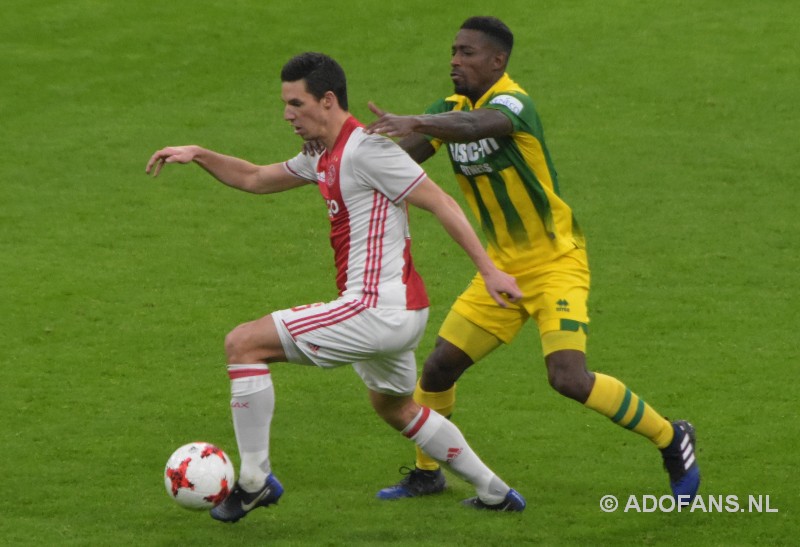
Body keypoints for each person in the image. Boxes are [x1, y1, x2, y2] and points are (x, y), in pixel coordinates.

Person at [145, 52, 528, 522]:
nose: (287, 114)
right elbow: (256, 177)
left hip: (374, 308)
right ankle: (495, 490)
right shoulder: (321, 155)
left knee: (243, 344)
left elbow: (442, 202)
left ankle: (253, 481)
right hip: (400, 311)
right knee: (395, 407)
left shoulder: (368, 150)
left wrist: (489, 271)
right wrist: (199, 154)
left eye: (296, 103)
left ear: (327, 100)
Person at [364, 16, 701, 503]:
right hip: (500, 271)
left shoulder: (512, 103)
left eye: (468, 53)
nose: (456, 61)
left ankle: (672, 437)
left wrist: (418, 120)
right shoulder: (449, 108)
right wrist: (343, 148)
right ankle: (427, 473)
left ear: (498, 61)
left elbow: (477, 125)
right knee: (438, 368)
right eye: (453, 52)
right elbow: (404, 158)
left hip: (555, 261)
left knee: (568, 378)